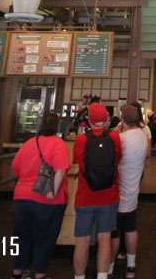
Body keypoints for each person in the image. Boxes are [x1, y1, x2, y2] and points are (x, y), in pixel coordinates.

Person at [10, 111, 69, 279]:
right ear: (57, 126)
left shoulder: (29, 143)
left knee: (21, 236)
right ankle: (40, 274)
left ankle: (17, 272)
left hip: (22, 196)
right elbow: (61, 169)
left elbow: (15, 167)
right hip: (47, 199)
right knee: (45, 238)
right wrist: (54, 191)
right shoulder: (58, 144)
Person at [73, 102, 122, 279]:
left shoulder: (80, 140)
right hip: (109, 196)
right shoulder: (114, 138)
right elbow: (118, 158)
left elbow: (78, 162)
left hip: (85, 197)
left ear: (88, 120)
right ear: (106, 120)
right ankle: (102, 275)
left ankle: (79, 276)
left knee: (82, 240)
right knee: (104, 238)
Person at [110, 102, 148, 278]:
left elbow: (113, 160)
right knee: (131, 228)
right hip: (133, 192)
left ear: (123, 120)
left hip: (118, 193)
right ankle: (131, 265)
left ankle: (109, 266)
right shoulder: (141, 136)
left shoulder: (121, 139)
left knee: (115, 232)